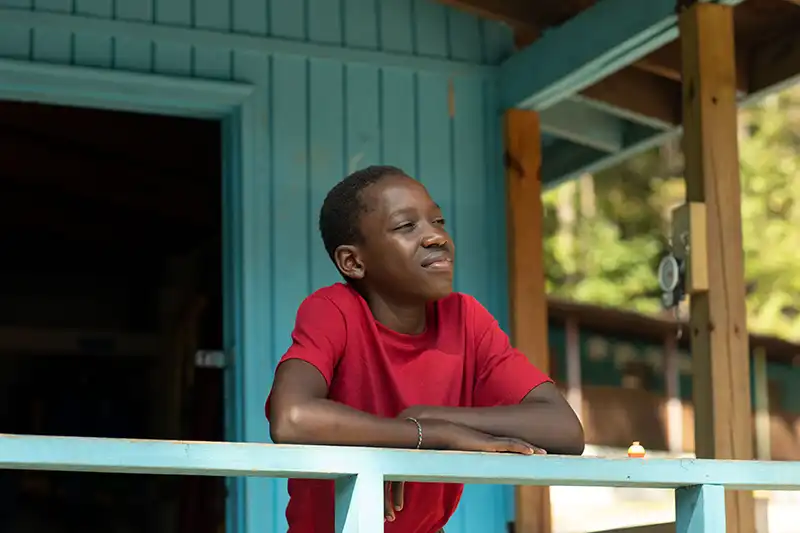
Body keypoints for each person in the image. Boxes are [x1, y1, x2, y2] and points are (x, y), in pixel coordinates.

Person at [266, 165, 585, 533]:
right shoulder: (333, 310)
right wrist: (430, 434)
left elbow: (564, 429)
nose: (436, 237)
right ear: (353, 262)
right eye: (406, 226)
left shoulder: (465, 318)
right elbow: (290, 417)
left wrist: (429, 415)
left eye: (438, 221)